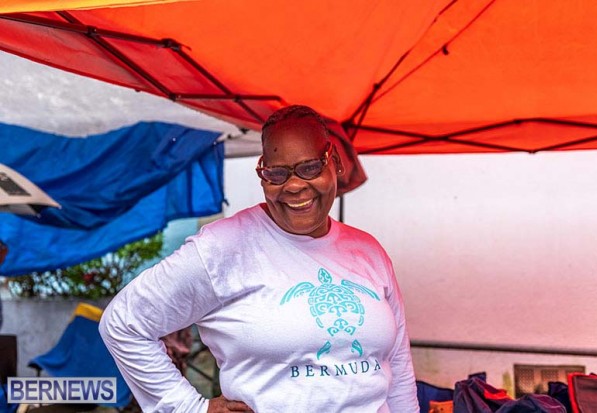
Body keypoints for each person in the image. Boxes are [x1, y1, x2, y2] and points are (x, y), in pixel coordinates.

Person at [100, 104, 420, 412]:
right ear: (262, 175)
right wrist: (188, 407)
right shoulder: (222, 248)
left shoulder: (368, 251)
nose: (294, 185)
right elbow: (124, 323)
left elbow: (398, 365)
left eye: (310, 167)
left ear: (333, 162)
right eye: (276, 174)